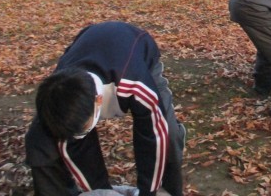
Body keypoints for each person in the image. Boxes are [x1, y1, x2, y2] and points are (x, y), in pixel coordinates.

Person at [25, 21, 185, 196]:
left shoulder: (135, 85)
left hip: (138, 51)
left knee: (168, 134)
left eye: (82, 128)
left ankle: (169, 191)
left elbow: (154, 135)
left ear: (99, 101)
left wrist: (149, 191)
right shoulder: (58, 88)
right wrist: (99, 191)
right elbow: (71, 142)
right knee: (39, 142)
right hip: (85, 49)